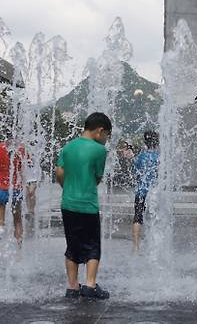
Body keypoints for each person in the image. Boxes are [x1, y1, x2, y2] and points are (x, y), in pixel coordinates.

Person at [56, 112, 112, 299]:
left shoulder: (68, 147)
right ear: (99, 131)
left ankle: (72, 287)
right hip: (88, 205)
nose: (105, 140)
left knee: (72, 245)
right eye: (106, 136)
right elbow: (97, 177)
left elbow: (60, 173)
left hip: (68, 203)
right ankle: (90, 284)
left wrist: (69, 187)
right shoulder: (99, 151)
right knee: (93, 245)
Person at [0, 139, 26, 265]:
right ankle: (20, 253)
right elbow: (24, 167)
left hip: (0, 187)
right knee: (18, 220)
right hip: (16, 187)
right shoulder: (21, 148)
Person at [131, 131, 160, 253]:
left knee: (138, 217)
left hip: (141, 191)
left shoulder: (141, 156)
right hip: (155, 192)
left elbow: (134, 172)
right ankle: (156, 246)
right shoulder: (160, 156)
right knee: (157, 217)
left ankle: (136, 247)